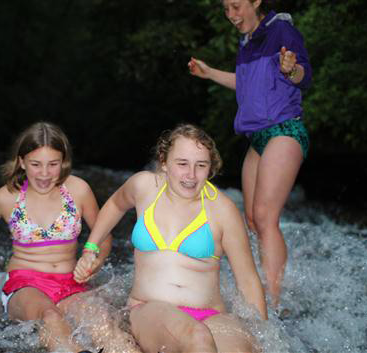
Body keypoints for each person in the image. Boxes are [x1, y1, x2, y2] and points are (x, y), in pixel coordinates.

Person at [0, 122, 138, 353]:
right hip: (24, 284)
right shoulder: (5, 198)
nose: (44, 174)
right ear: (22, 162)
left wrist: (95, 263)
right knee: (50, 317)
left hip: (70, 283)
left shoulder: (79, 190)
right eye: (36, 164)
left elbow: (103, 238)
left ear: (63, 162)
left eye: (53, 164)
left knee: (103, 323)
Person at [74, 123, 268, 353]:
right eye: (182, 164)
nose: (191, 175)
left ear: (210, 168)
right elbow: (115, 204)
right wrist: (91, 247)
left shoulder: (223, 209)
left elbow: (247, 279)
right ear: (164, 162)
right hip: (149, 310)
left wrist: (263, 335)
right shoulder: (143, 186)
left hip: (212, 316)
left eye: (201, 165)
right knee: (197, 338)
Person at [188, 0, 312, 306]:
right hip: (258, 137)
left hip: (285, 130)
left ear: (256, 1)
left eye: (236, 6)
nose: (231, 15)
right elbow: (245, 84)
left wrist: (291, 69)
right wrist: (209, 73)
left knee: (265, 218)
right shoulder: (246, 41)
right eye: (226, 9)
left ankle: (272, 301)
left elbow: (304, 75)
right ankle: (271, 284)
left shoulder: (281, 29)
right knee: (253, 221)